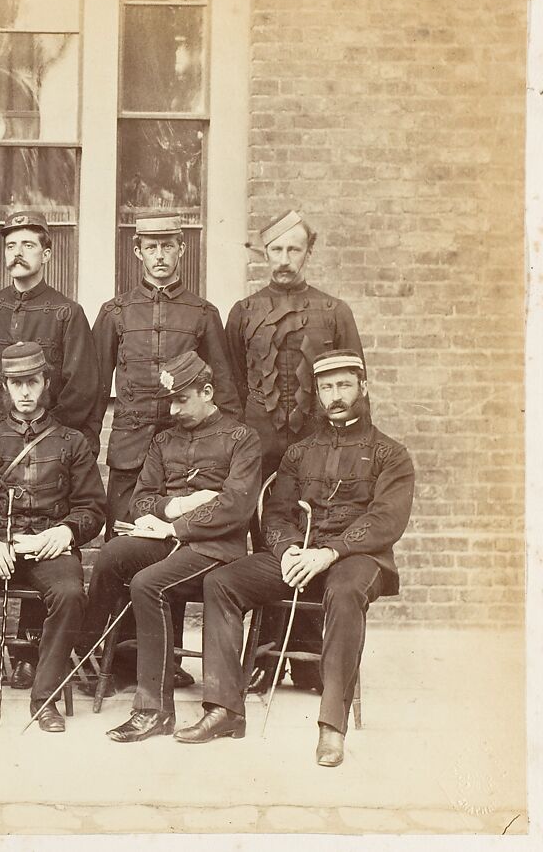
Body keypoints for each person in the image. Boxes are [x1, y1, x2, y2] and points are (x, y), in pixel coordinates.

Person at [176, 350, 414, 767]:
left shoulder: (391, 455)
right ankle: (224, 709)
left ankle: (331, 729)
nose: (335, 395)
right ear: (317, 394)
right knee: (222, 582)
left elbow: (386, 520)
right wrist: (286, 550)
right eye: (326, 387)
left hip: (358, 558)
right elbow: (278, 512)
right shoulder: (299, 453)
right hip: (300, 553)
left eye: (344, 385)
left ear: (363, 387)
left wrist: (329, 552)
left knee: (343, 593)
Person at [91, 212, 241, 688]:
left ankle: (165, 663)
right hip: (131, 455)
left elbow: (226, 393)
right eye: (150, 248)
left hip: (186, 458)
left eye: (168, 247)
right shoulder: (114, 313)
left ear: (182, 250)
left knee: (171, 554)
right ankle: (113, 662)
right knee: (124, 551)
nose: (159, 256)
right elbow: (94, 390)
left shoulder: (202, 314)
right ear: (137, 252)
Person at [83, 351, 262, 743]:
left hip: (216, 549)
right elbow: (141, 499)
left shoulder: (242, 439)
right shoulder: (164, 440)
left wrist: (175, 527)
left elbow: (235, 505)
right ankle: (91, 654)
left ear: (208, 392)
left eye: (182, 399)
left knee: (147, 584)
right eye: (171, 401)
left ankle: (154, 711)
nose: (174, 409)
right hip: (169, 538)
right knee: (114, 553)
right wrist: (180, 505)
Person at [224, 209, 365, 691]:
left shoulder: (334, 311)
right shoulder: (242, 312)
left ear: (309, 251)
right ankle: (264, 656)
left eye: (294, 249)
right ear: (264, 253)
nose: (284, 259)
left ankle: (306, 658)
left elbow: (354, 384)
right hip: (258, 449)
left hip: (317, 449)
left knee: (313, 537)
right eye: (276, 250)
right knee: (266, 545)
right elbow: (232, 384)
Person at [0, 342, 107, 733]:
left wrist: (65, 530)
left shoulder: (72, 442)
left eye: (33, 381)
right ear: (4, 388)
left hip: (50, 549)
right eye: (17, 384)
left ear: (46, 382)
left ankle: (45, 696)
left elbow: (93, 508)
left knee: (70, 595)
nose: (26, 392)